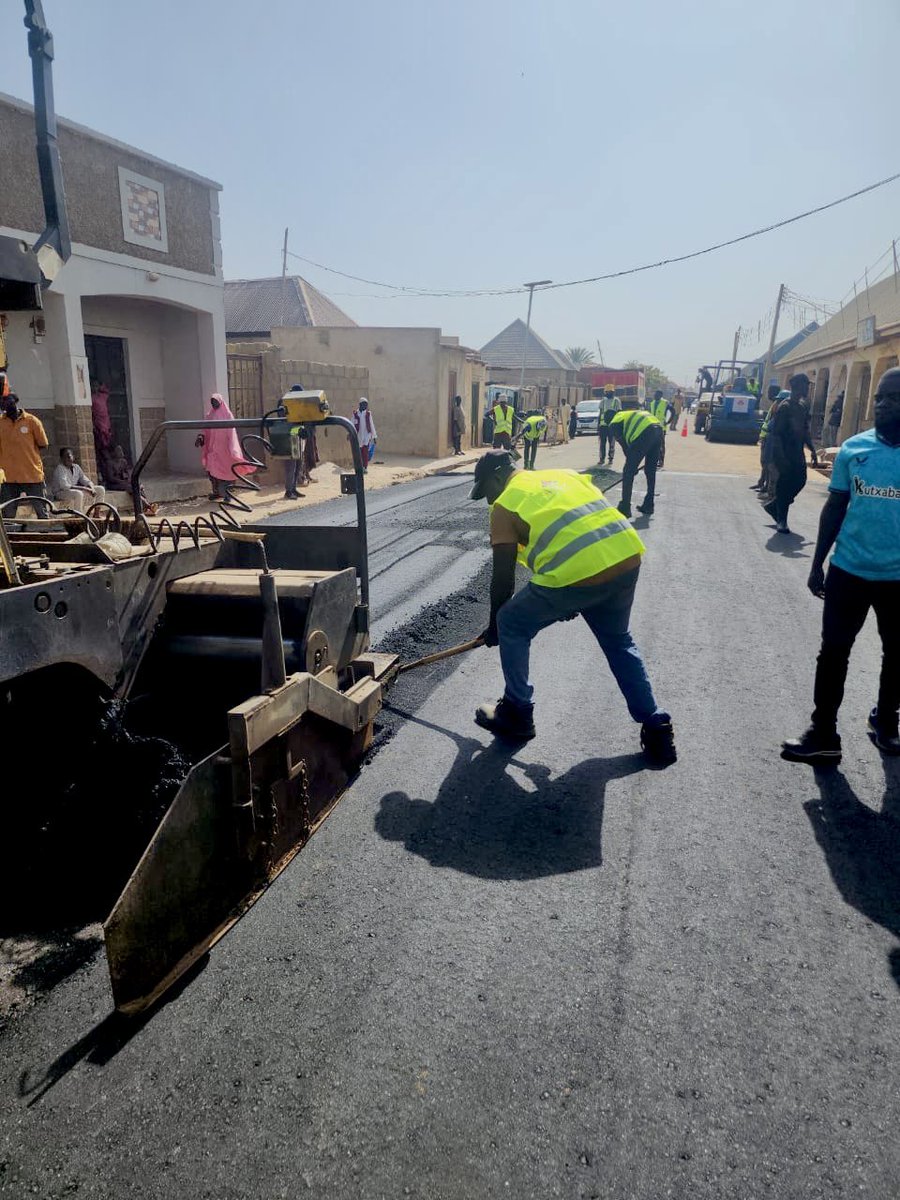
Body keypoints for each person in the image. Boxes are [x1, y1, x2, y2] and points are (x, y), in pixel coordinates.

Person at [468, 451, 676, 764]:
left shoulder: (505, 504)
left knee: (511, 621)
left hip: (577, 573)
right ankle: (657, 727)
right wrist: (569, 599)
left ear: (498, 477)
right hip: (625, 557)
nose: (488, 501)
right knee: (619, 641)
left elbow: (502, 580)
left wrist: (495, 626)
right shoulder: (565, 474)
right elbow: (573, 530)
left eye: (487, 491)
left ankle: (517, 712)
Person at [782, 367, 900, 764]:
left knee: (897, 654)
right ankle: (824, 734)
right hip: (848, 571)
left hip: (897, 579)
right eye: (879, 397)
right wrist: (818, 564)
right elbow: (835, 508)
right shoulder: (854, 449)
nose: (882, 403)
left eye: (892, 397)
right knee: (833, 653)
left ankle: (886, 723)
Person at [763, 372, 818, 533]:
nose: (808, 388)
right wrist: (780, 457)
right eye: (806, 385)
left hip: (797, 453)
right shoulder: (784, 408)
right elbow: (777, 435)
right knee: (784, 485)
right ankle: (782, 520)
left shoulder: (801, 407)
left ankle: (774, 506)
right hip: (784, 453)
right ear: (798, 386)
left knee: (800, 481)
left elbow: (805, 430)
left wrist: (813, 450)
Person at [609, 399, 665, 518]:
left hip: (645, 433)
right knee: (650, 471)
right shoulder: (627, 415)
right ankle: (649, 505)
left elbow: (625, 445)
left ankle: (625, 507)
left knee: (628, 472)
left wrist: (631, 465)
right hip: (657, 429)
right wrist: (661, 453)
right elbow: (657, 429)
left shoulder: (614, 422)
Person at [0, 393, 49, 518]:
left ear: (16, 402)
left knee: (42, 511)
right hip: (8, 477)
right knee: (8, 515)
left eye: (8, 400)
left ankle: (47, 534)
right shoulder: (1, 423)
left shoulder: (32, 421)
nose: (5, 403)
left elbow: (43, 444)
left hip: (32, 475)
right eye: (3, 401)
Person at [198, 393, 254, 500]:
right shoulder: (209, 415)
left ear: (220, 402)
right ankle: (217, 492)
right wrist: (201, 437)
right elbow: (205, 429)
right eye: (212, 402)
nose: (213, 404)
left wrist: (232, 448)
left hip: (224, 450)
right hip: (212, 450)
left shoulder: (227, 415)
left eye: (215, 401)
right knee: (212, 472)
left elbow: (231, 432)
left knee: (225, 472)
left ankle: (227, 494)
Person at [50, 447, 106, 513]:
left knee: (100, 489)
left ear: (73, 457)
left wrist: (92, 488)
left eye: (68, 456)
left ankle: (96, 513)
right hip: (60, 492)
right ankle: (78, 516)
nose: (66, 459)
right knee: (78, 493)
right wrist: (85, 488)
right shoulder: (60, 468)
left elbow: (84, 479)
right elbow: (64, 486)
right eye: (64, 457)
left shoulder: (76, 467)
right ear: (61, 459)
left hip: (71, 491)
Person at [751, 383, 783, 492]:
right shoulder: (774, 406)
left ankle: (767, 488)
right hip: (766, 438)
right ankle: (762, 483)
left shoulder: (781, 409)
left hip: (772, 441)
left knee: (770, 465)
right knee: (765, 463)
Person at [647, 390, 670, 467]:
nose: (654, 395)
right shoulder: (652, 403)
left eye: (656, 394)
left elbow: (672, 411)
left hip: (661, 427)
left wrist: (668, 421)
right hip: (652, 427)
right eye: (654, 394)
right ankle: (653, 460)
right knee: (652, 444)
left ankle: (661, 461)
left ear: (660, 395)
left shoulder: (665, 403)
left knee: (661, 445)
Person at [353, 398, 376, 471]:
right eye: (364, 404)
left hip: (366, 435)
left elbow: (371, 425)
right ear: (360, 405)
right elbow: (352, 423)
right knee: (358, 452)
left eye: (366, 405)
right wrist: (349, 434)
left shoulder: (368, 414)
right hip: (358, 436)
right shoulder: (355, 414)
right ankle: (359, 467)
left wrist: (374, 436)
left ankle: (365, 467)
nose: (366, 406)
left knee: (365, 452)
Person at [598, 387, 620, 464]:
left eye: (610, 392)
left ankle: (610, 458)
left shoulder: (616, 401)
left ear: (613, 392)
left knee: (612, 443)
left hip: (612, 426)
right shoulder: (603, 401)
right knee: (602, 443)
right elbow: (600, 413)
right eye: (607, 392)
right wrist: (598, 426)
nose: (608, 393)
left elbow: (619, 413)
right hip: (603, 426)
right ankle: (601, 458)